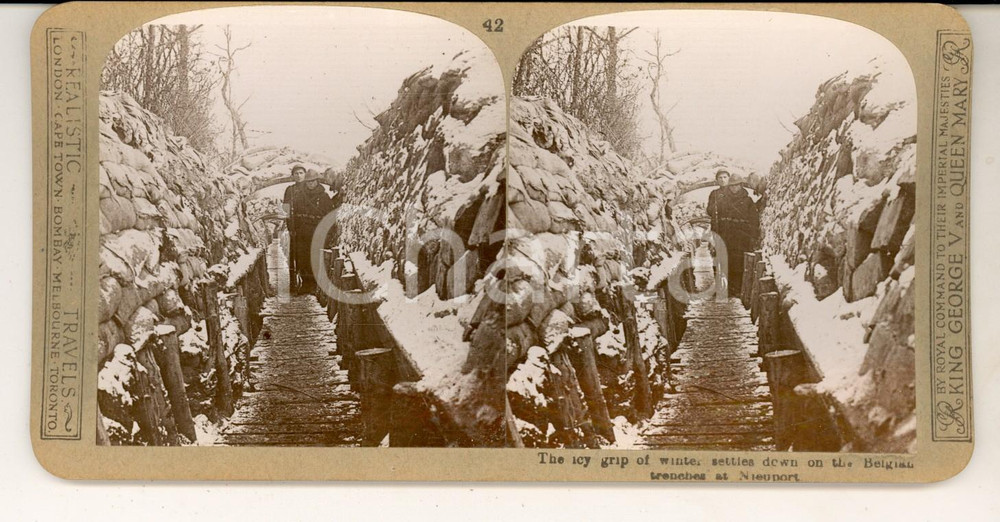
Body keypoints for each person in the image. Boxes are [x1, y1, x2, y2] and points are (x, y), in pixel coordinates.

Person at [706, 169, 761, 297]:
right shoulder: (722, 200)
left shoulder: (747, 201)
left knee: (739, 263)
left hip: (742, 237)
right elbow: (714, 217)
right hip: (726, 236)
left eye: (737, 185)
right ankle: (727, 288)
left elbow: (754, 220)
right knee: (725, 261)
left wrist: (753, 236)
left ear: (741, 185)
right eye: (732, 186)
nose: (734, 188)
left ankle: (738, 289)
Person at [288, 169, 333, 295]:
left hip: (317, 232)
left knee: (316, 258)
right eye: (308, 182)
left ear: (317, 181)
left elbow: (329, 216)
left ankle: (314, 284)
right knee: (302, 259)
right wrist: (293, 228)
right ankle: (305, 284)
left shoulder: (324, 197)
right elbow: (293, 214)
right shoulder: (299, 196)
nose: (311, 184)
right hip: (302, 233)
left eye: (313, 181)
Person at [283, 164, 307, 292]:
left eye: (301, 173)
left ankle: (307, 282)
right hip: (295, 226)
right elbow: (285, 209)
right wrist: (290, 226)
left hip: (308, 226)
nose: (299, 175)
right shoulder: (290, 190)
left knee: (306, 254)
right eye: (296, 173)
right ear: (292, 176)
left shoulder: (309, 188)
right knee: (295, 254)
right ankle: (293, 282)